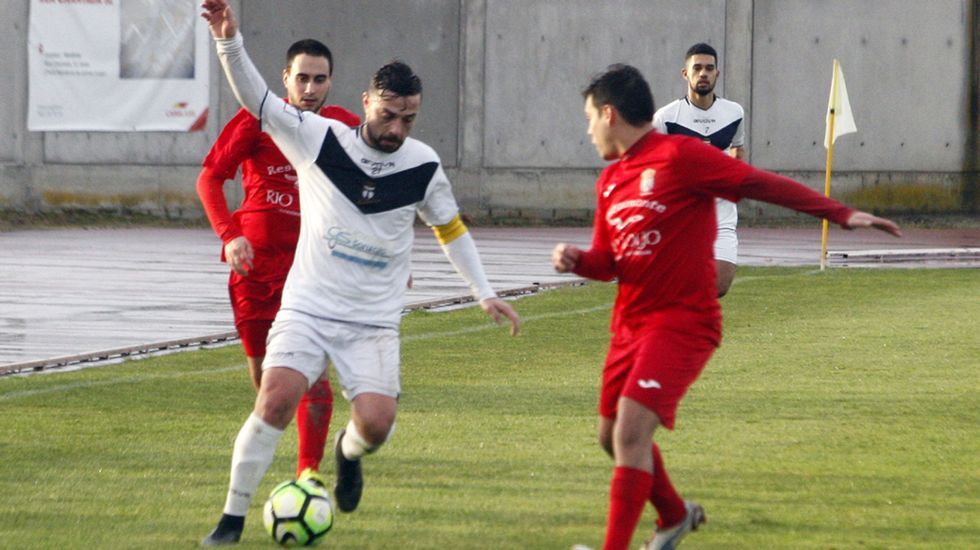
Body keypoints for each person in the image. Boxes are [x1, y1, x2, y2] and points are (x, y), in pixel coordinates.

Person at [199, 1, 521, 545]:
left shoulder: (422, 164)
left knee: (376, 424)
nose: (397, 128)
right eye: (388, 115)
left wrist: (482, 291)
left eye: (409, 118)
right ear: (367, 102)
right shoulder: (319, 139)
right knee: (274, 398)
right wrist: (228, 40)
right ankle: (230, 520)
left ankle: (347, 454)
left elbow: (450, 229)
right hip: (307, 307)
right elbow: (254, 97)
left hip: (371, 319)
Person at [553, 64, 900, 550]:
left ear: (609, 114)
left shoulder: (680, 156)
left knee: (631, 432)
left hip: (682, 323)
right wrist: (578, 261)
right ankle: (674, 516)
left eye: (590, 118)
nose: (589, 130)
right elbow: (609, 262)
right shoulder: (610, 181)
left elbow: (757, 182)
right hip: (629, 326)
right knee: (610, 436)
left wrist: (839, 213)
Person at [197, 37, 360, 487]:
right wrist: (230, 237)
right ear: (285, 78)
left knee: (314, 377)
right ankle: (273, 440)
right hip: (255, 273)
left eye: (319, 78)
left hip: (312, 273)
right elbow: (210, 178)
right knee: (268, 381)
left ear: (330, 82)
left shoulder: (343, 128)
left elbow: (368, 192)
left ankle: (308, 474)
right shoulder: (256, 120)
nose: (309, 87)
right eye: (301, 77)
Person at [653, 43, 744, 298]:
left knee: (720, 285)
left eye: (709, 68)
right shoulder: (666, 118)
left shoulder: (734, 113)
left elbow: (738, 148)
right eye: (697, 68)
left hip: (721, 213)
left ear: (717, 73)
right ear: (686, 73)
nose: (703, 73)